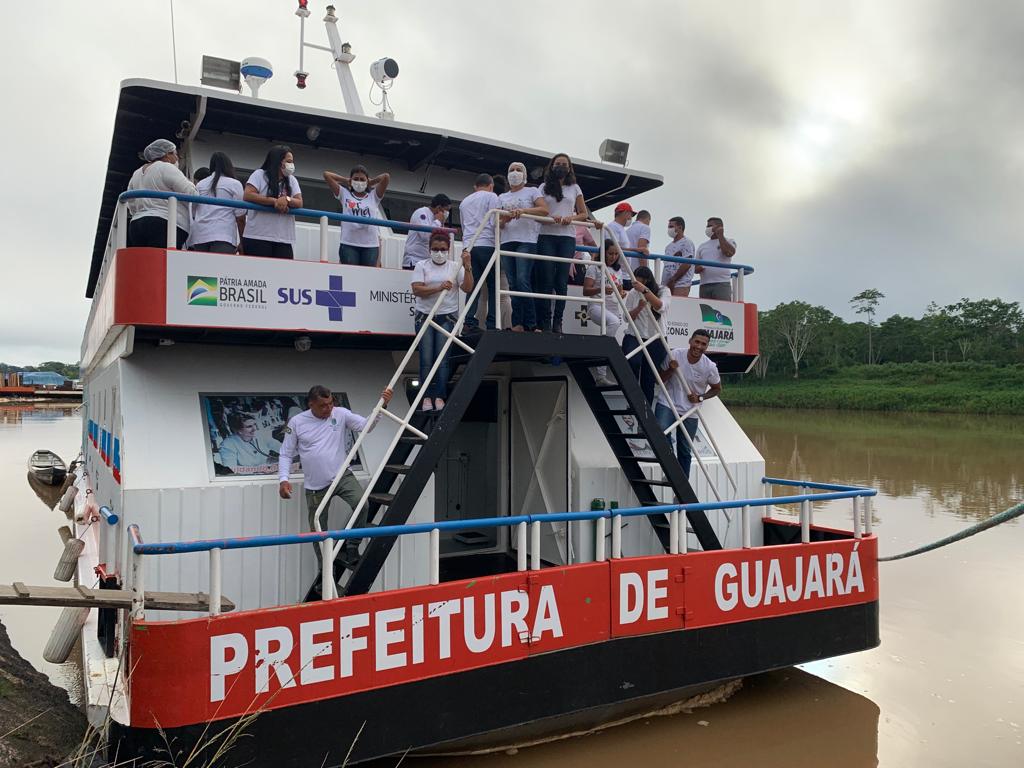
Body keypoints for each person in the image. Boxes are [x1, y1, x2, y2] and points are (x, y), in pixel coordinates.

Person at [278, 384, 393, 571]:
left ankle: (352, 546)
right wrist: (284, 479)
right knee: (318, 531)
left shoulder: (340, 413)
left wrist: (382, 406)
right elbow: (285, 453)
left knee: (361, 505)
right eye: (323, 405)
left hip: (342, 475)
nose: (328, 408)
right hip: (315, 485)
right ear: (311, 405)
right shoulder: (296, 422)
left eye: (331, 403)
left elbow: (366, 426)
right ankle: (325, 573)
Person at [411, 231, 475, 411]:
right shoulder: (421, 265)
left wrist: (468, 266)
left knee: (443, 359)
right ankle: (425, 397)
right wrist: (439, 288)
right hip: (425, 316)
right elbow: (417, 290)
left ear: (448, 250)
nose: (439, 253)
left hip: (446, 316)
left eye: (443, 249)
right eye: (435, 249)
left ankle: (439, 395)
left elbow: (468, 287)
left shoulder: (455, 267)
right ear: (429, 249)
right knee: (425, 359)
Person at [535, 154, 591, 333]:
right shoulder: (543, 187)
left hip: (567, 237)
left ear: (569, 168)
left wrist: (570, 218)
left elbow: (583, 213)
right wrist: (551, 218)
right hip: (546, 235)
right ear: (552, 166)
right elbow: (539, 211)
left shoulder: (575, 187)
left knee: (561, 281)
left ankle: (557, 322)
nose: (560, 167)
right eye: (557, 164)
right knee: (546, 279)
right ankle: (545, 321)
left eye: (564, 164)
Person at [654, 329, 722, 478]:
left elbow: (717, 389)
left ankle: (682, 483)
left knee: (685, 449)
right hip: (668, 402)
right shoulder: (675, 354)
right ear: (690, 341)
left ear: (707, 347)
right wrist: (671, 370)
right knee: (661, 432)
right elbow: (659, 380)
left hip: (690, 410)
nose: (699, 346)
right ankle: (672, 469)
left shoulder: (710, 366)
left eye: (703, 344)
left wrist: (701, 398)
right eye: (696, 342)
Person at [499, 162, 548, 331]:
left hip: (526, 240)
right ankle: (517, 323)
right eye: (511, 169)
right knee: (513, 283)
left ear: (525, 175)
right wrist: (504, 219)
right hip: (506, 241)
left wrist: (524, 211)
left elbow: (544, 210)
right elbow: (497, 223)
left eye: (518, 170)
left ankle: (531, 323)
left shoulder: (532, 191)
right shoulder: (502, 197)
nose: (514, 172)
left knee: (522, 280)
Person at [126, 139, 197, 248]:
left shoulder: (136, 173)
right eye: (175, 154)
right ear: (167, 155)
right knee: (164, 262)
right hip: (165, 223)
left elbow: (131, 204)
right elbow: (192, 194)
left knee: (146, 263)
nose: (177, 158)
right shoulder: (166, 167)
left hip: (136, 225)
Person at [242, 145, 303, 259]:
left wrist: (286, 199)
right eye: (289, 161)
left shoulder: (292, 180)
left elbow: (299, 202)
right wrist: (274, 201)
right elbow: (248, 194)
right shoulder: (259, 175)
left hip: (283, 238)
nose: (292, 165)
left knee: (282, 275)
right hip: (258, 236)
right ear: (278, 162)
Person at [622, 265, 671, 403]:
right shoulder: (633, 293)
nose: (638, 285)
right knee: (633, 362)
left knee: (648, 378)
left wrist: (645, 291)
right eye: (636, 282)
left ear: (648, 280)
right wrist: (638, 308)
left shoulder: (663, 290)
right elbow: (627, 318)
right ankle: (632, 400)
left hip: (656, 338)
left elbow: (660, 307)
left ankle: (646, 411)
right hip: (635, 335)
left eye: (641, 281)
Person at [459, 174, 502, 330]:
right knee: (493, 286)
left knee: (472, 285)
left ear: (475, 186)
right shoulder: (492, 197)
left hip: (469, 246)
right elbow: (494, 222)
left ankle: (469, 321)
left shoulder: (464, 202)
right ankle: (492, 323)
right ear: (491, 185)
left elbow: (464, 227)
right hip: (487, 244)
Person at [324, 165, 390, 267]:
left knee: (367, 277)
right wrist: (346, 180)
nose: (359, 182)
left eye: (362, 179)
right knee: (349, 276)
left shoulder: (374, 196)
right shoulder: (344, 193)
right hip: (349, 244)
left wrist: (371, 182)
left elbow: (386, 177)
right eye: (356, 179)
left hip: (370, 245)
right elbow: (327, 175)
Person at [583, 239, 628, 385]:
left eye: (616, 254)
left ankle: (601, 375)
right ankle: (602, 353)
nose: (613, 256)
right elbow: (586, 291)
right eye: (610, 253)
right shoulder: (594, 267)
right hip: (596, 305)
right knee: (613, 324)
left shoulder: (618, 270)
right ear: (604, 253)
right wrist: (600, 289)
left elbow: (620, 290)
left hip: (613, 307)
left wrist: (622, 294)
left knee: (610, 332)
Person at [190, 152, 246, 254]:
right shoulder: (234, 184)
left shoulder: (200, 185)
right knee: (221, 269)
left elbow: (194, 212)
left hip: (200, 236)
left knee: (202, 269)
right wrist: (243, 242)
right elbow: (240, 217)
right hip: (223, 235)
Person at [402, 194, 452, 270]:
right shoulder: (421, 213)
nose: (447, 213)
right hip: (415, 260)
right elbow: (425, 236)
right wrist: (438, 221)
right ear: (439, 208)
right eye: (446, 210)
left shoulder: (438, 219)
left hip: (429, 262)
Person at [695, 217, 738, 301]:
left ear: (720, 227)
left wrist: (720, 235)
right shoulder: (702, 246)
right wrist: (699, 268)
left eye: (710, 226)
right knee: (705, 313)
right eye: (707, 226)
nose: (708, 228)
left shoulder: (730, 241)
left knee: (724, 310)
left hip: (722, 283)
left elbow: (729, 253)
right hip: (704, 284)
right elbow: (695, 267)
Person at [662, 216, 696, 296]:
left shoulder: (686, 243)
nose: (669, 229)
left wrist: (674, 279)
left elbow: (687, 263)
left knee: (677, 306)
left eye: (671, 227)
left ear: (680, 227)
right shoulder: (668, 247)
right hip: (667, 284)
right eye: (668, 227)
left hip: (681, 284)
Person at [606, 202, 636, 271]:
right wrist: (637, 250)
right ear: (625, 212)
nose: (631, 218)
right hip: (616, 272)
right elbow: (613, 247)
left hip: (623, 272)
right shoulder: (613, 227)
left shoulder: (620, 228)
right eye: (630, 215)